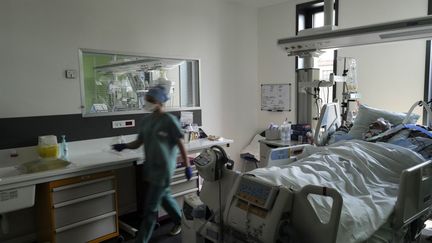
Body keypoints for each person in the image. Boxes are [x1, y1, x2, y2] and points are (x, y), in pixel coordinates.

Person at [112, 85, 193, 243]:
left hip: (164, 169)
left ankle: (141, 240)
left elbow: (180, 143)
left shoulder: (169, 121)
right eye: (147, 99)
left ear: (160, 102)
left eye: (151, 100)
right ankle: (181, 221)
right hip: (150, 168)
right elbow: (139, 142)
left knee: (150, 208)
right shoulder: (146, 121)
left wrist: (187, 165)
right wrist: (125, 146)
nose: (147, 102)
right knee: (165, 198)